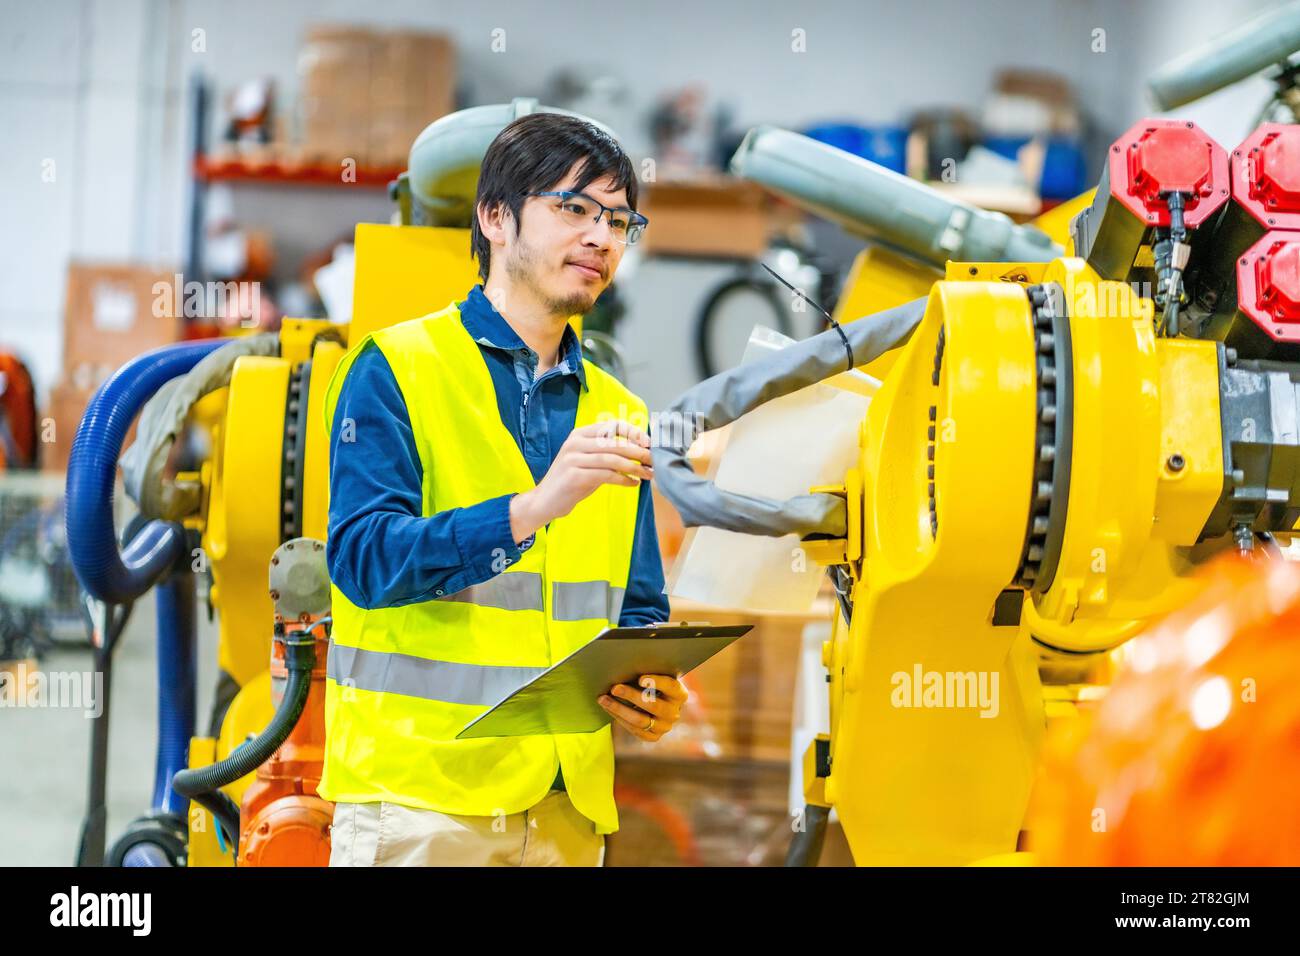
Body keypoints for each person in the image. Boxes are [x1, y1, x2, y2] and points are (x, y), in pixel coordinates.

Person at [319, 112, 687, 866]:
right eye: (573, 209)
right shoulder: (396, 369)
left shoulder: (618, 410)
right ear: (494, 216)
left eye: (619, 220)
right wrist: (529, 512)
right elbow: (360, 560)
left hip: (566, 814)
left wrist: (652, 686)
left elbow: (638, 602)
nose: (601, 238)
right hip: (422, 806)